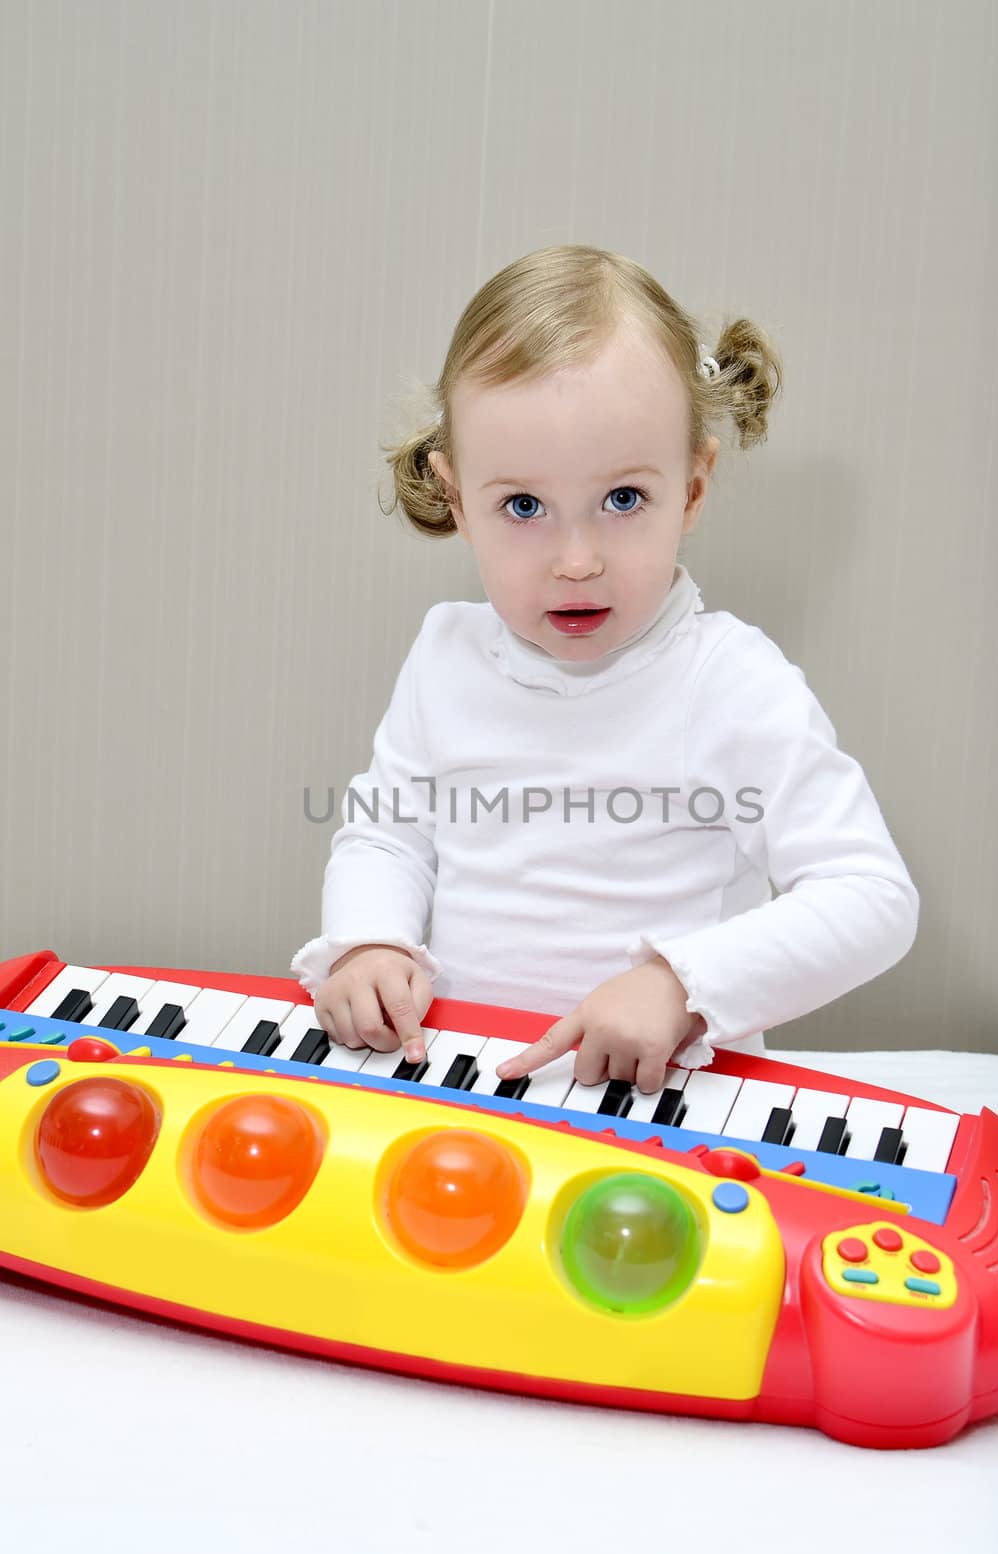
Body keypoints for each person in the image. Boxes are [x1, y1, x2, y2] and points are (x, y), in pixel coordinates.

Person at [291, 244, 919, 1097]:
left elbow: (870, 897)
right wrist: (369, 941)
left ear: (692, 490)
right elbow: (387, 832)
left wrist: (680, 983)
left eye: (623, 500)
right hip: (467, 1084)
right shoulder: (445, 657)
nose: (576, 560)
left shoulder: (730, 682)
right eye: (522, 506)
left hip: (669, 1100)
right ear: (457, 496)